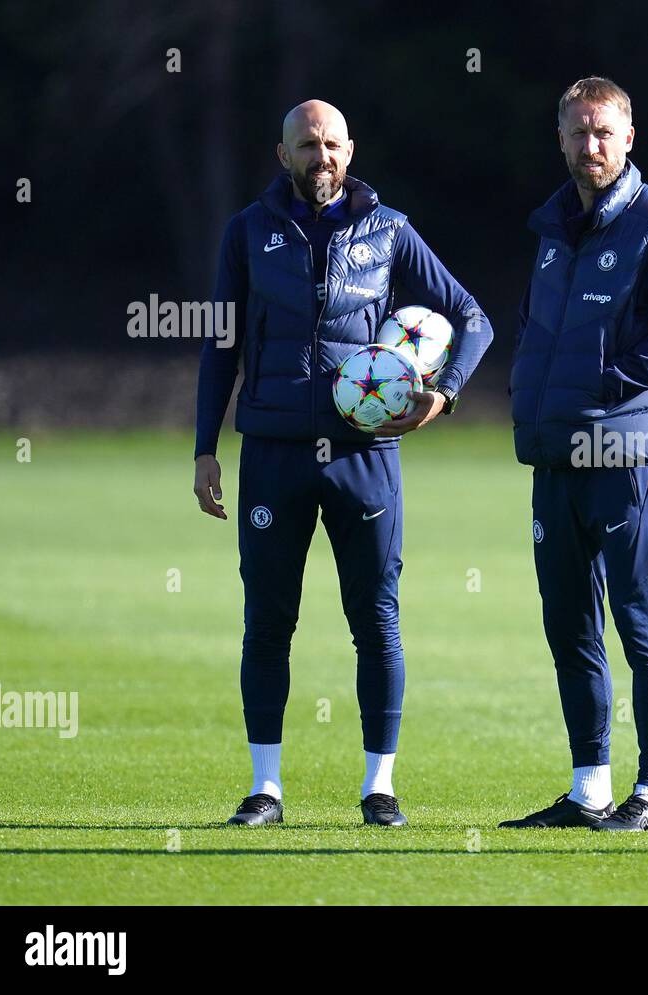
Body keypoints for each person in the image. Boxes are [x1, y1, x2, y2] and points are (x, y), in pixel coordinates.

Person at [193, 99, 493, 827]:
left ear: (350, 152)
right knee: (267, 622)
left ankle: (378, 787)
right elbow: (220, 345)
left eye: (330, 145)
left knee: (377, 620)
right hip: (271, 451)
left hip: (365, 454)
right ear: (282, 152)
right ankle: (266, 789)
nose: (319, 156)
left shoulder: (389, 230)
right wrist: (205, 447)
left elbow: (472, 318)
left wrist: (442, 395)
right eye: (306, 145)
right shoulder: (249, 231)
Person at [502, 77, 648, 831]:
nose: (591, 146)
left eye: (604, 133)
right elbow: (535, 330)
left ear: (628, 138)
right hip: (555, 455)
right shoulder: (553, 228)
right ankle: (590, 788)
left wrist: (603, 384)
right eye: (579, 132)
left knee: (641, 620)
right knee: (569, 625)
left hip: (628, 454)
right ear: (560, 138)